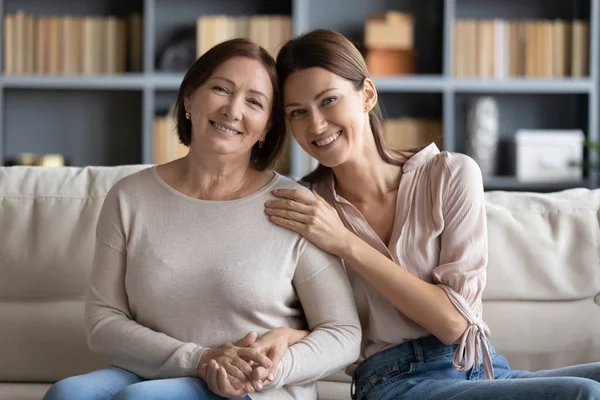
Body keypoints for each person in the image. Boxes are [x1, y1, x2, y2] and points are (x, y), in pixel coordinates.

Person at [262, 28, 600, 399]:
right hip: (393, 381)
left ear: (367, 95)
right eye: (297, 112)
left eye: (328, 100)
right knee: (582, 394)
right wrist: (286, 334)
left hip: (480, 369)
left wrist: (345, 243)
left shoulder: (449, 175)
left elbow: (455, 323)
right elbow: (323, 323)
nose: (316, 125)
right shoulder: (305, 206)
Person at [42, 38, 361, 400]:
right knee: (68, 394)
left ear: (268, 128)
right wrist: (200, 359)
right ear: (190, 98)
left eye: (254, 102)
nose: (233, 109)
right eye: (221, 89)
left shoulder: (294, 204)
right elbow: (103, 322)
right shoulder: (129, 197)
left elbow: (343, 333)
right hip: (153, 370)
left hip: (255, 389)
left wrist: (264, 372)